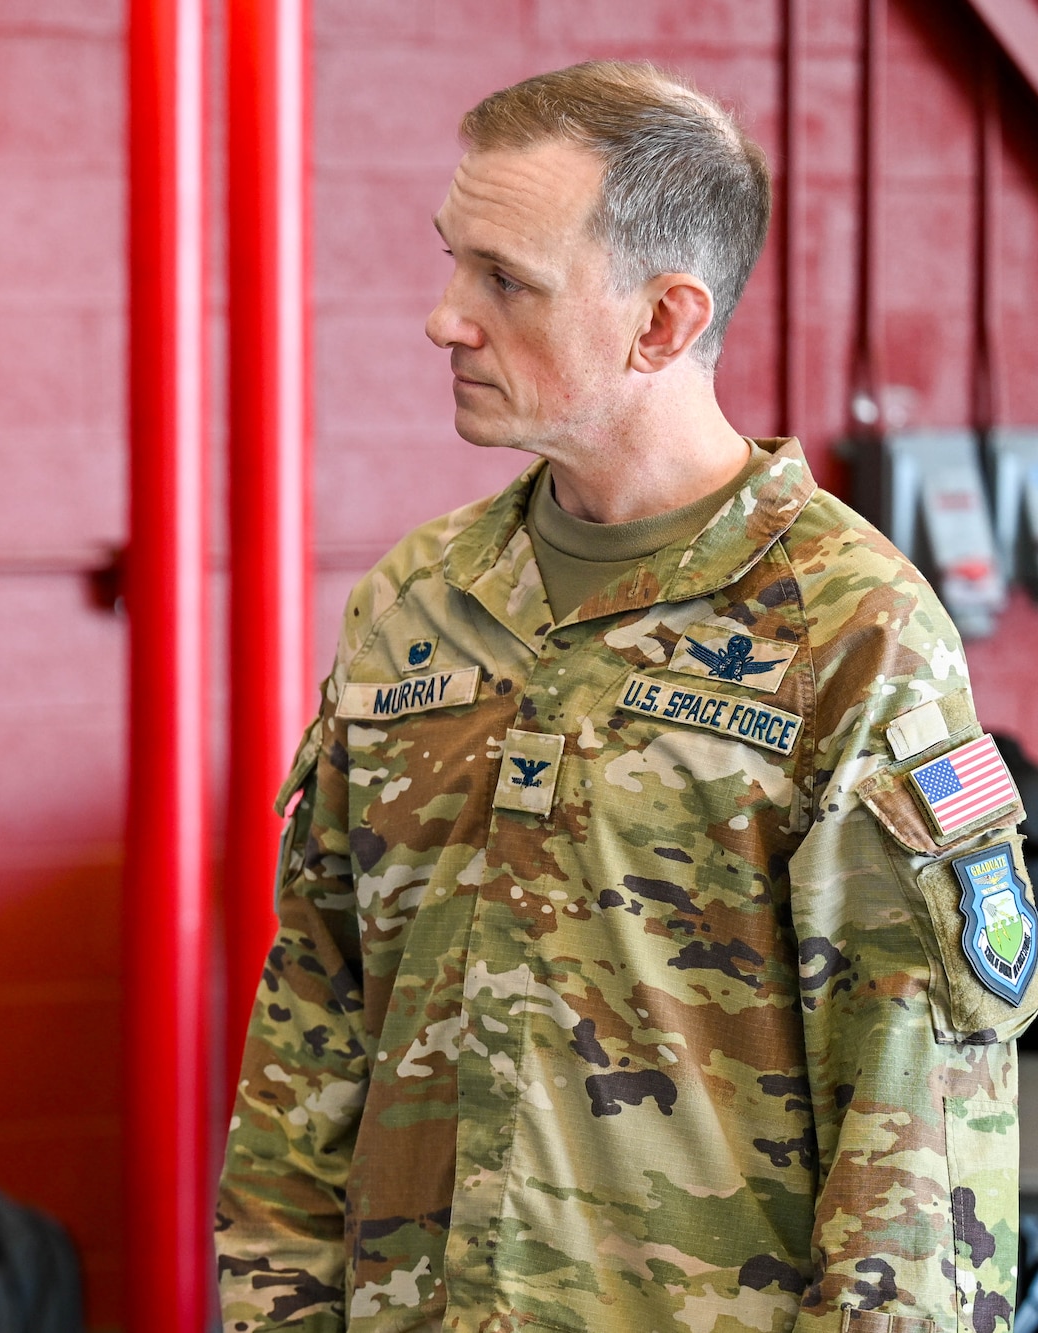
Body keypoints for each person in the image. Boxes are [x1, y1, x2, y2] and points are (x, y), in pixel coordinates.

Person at [217, 63, 1034, 1333]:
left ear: (660, 323)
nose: (444, 318)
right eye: (452, 262)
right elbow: (310, 1029)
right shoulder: (415, 603)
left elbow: (916, 1150)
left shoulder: (850, 633)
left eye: (503, 280)